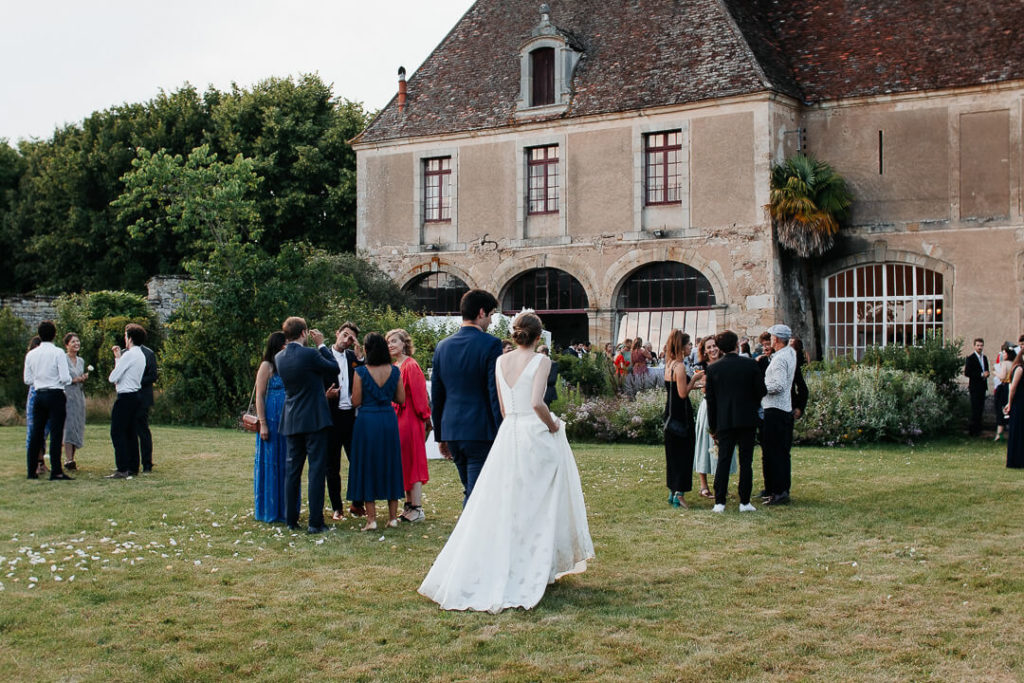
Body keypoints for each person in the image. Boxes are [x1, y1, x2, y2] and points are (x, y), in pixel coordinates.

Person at [419, 312, 594, 613]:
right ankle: (532, 566)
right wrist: (553, 425)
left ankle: (513, 562)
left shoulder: (501, 361)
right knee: (537, 502)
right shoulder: (541, 361)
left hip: (508, 433)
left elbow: (501, 406)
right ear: (538, 336)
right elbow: (538, 403)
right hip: (533, 433)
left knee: (506, 501)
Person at [431, 289, 503, 505]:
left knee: (471, 489)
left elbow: (437, 394)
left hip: (452, 428)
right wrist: (502, 430)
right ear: (481, 313)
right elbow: (494, 391)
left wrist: (440, 435)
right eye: (490, 315)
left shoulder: (442, 346)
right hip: (480, 430)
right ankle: (468, 538)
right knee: (477, 494)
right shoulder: (490, 344)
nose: (490, 321)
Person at [275, 317, 340, 534]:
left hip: (292, 418)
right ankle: (315, 522)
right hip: (314, 419)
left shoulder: (279, 357)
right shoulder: (311, 354)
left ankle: (291, 520)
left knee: (293, 471)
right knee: (316, 470)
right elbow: (334, 368)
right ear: (304, 332)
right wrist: (321, 345)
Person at [348, 333, 406, 531]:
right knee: (391, 463)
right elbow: (401, 398)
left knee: (367, 465)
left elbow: (355, 401)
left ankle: (371, 520)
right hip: (388, 420)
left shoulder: (361, 372)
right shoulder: (395, 371)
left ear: (367, 350)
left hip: (367, 421)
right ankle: (392, 517)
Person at [705, 330, 766, 512]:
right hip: (747, 418)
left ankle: (720, 502)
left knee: (723, 459)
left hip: (724, 419)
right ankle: (745, 501)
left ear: (721, 348)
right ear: (736, 344)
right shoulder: (749, 365)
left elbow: (711, 401)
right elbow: (761, 391)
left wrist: (713, 425)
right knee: (746, 461)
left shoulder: (713, 369)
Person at [387, 328, 432, 523]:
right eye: (388, 342)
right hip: (398, 419)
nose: (390, 345)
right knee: (404, 462)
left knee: (413, 461)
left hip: (411, 419)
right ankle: (408, 504)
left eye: (394, 341)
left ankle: (417, 507)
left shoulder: (411, 366)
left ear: (404, 343)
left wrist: (425, 417)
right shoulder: (396, 366)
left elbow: (420, 396)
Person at [325, 322, 364, 520]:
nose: (347, 340)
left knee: (357, 461)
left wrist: (359, 357)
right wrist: (325, 395)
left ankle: (357, 504)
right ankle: (337, 508)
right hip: (331, 417)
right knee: (332, 465)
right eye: (345, 335)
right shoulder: (323, 355)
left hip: (351, 417)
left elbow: (364, 376)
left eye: (351, 338)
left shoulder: (353, 358)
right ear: (337, 333)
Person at [24, 321, 73, 480]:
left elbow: (27, 379)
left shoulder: (31, 354)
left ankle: (31, 471)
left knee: (36, 434)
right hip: (55, 393)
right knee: (56, 433)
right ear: (54, 335)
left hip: (39, 394)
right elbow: (66, 378)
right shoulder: (58, 352)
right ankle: (56, 471)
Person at [253, 331, 290, 523]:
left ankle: (286, 509)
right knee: (271, 462)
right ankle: (269, 509)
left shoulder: (286, 364)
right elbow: (259, 395)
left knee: (286, 463)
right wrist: (263, 423)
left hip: (287, 417)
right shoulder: (267, 366)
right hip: (271, 416)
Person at [663, 330, 701, 508]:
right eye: (688, 345)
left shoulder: (669, 364)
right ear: (681, 346)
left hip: (669, 414)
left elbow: (677, 389)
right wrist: (695, 378)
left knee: (673, 455)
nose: (690, 348)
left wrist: (696, 383)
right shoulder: (679, 367)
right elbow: (683, 393)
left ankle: (672, 492)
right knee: (684, 455)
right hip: (681, 416)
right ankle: (679, 493)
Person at [761, 324, 798, 506]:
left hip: (775, 409)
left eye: (772, 337)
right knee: (781, 452)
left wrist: (760, 388)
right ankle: (779, 488)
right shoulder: (790, 353)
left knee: (774, 452)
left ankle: (778, 491)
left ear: (776, 339)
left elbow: (779, 385)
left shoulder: (780, 359)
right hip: (783, 408)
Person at [694, 335, 734, 500]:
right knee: (705, 443)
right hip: (708, 407)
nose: (712, 350)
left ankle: (722, 485)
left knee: (724, 445)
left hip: (724, 407)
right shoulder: (702, 367)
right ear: (704, 351)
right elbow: (704, 390)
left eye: (714, 346)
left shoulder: (727, 362)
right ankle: (704, 485)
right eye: (708, 347)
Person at [106, 323, 148, 479]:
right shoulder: (141, 355)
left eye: (125, 336)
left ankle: (122, 467)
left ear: (130, 338)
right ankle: (132, 466)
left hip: (125, 396)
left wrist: (118, 360)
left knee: (117, 432)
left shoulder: (130, 354)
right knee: (130, 432)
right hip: (135, 396)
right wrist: (118, 358)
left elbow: (113, 377)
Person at [62, 332, 89, 471]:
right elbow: (62, 378)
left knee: (77, 425)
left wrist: (83, 377)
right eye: (73, 342)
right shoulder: (63, 359)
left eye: (78, 341)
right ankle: (68, 459)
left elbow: (79, 377)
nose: (76, 344)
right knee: (68, 426)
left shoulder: (81, 361)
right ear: (67, 345)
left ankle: (73, 457)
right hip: (67, 395)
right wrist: (75, 379)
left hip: (78, 395)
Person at [24, 336, 49, 476]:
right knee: (34, 430)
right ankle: (34, 463)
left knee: (45, 431)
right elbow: (28, 380)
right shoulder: (31, 359)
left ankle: (41, 462)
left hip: (44, 392)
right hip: (35, 392)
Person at [135, 328, 158, 473]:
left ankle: (147, 463)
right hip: (128, 397)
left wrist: (136, 381)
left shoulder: (148, 354)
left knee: (142, 430)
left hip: (142, 396)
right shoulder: (125, 354)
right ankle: (132, 463)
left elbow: (153, 376)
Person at [964, 338, 990, 436]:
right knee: (975, 408)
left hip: (982, 386)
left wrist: (987, 374)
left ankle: (979, 429)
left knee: (980, 408)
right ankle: (973, 430)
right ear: (974, 346)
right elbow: (967, 373)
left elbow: (986, 369)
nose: (980, 347)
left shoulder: (984, 358)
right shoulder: (971, 358)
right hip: (975, 387)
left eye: (981, 345)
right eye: (978, 345)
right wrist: (980, 375)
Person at [1003, 349, 1024, 468]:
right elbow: (1013, 388)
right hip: (1019, 403)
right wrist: (1009, 403)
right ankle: (1015, 460)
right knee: (1017, 430)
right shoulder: (1019, 368)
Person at [993, 345, 1016, 441]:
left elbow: (1002, 376)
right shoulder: (1015, 363)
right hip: (1012, 387)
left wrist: (995, 372)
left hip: (1005, 387)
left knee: (1001, 409)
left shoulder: (1004, 363)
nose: (1003, 354)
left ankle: (999, 433)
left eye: (1004, 353)